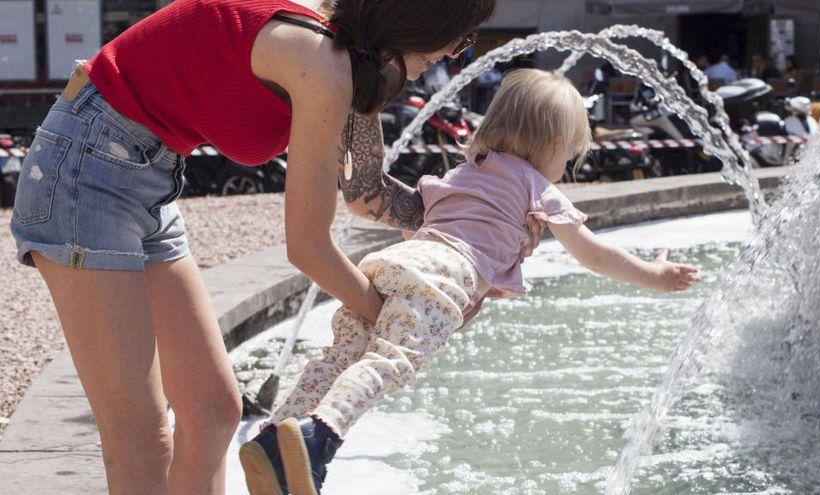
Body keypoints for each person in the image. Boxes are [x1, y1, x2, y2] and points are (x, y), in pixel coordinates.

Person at [7, 0, 507, 493]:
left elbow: (367, 191)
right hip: (85, 172)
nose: (453, 54)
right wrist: (399, 318)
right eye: (458, 39)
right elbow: (307, 247)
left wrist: (468, 235)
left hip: (147, 176)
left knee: (212, 411)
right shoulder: (319, 57)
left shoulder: (346, 53)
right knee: (142, 440)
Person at [240, 69, 701, 495]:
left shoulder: (466, 171)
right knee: (389, 361)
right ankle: (318, 437)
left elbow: (429, 228)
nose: (568, 164)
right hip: (444, 275)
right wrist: (653, 275)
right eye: (570, 154)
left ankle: (273, 436)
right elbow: (594, 255)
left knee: (342, 353)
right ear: (557, 143)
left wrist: (486, 271)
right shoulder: (538, 186)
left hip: (394, 262)